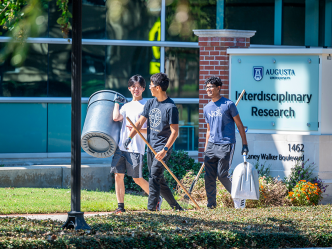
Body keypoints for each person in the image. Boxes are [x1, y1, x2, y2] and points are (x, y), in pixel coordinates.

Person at [123, 72, 183, 211]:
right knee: (159, 180)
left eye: (151, 85)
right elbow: (139, 123)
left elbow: (175, 132)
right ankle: (176, 207)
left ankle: (151, 210)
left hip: (163, 148)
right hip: (151, 147)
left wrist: (165, 150)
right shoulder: (151, 103)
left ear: (158, 87)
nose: (149, 87)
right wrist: (129, 138)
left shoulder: (171, 107)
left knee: (153, 177)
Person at [111, 74, 161, 214]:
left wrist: (138, 130)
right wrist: (117, 103)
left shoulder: (148, 105)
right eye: (133, 87)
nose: (136, 90)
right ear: (129, 88)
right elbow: (116, 117)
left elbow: (153, 128)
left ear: (144, 88)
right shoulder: (126, 106)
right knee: (118, 175)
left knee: (137, 178)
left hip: (136, 148)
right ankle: (120, 207)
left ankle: (156, 198)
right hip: (121, 146)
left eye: (139, 87)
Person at [203, 76, 249, 209]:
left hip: (226, 144)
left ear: (218, 88)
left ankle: (238, 197)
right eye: (207, 87)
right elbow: (208, 130)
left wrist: (245, 144)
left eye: (211, 87)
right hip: (211, 145)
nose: (208, 89)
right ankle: (211, 205)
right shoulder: (206, 108)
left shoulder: (229, 104)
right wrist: (206, 148)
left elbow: (239, 125)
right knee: (209, 176)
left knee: (222, 174)